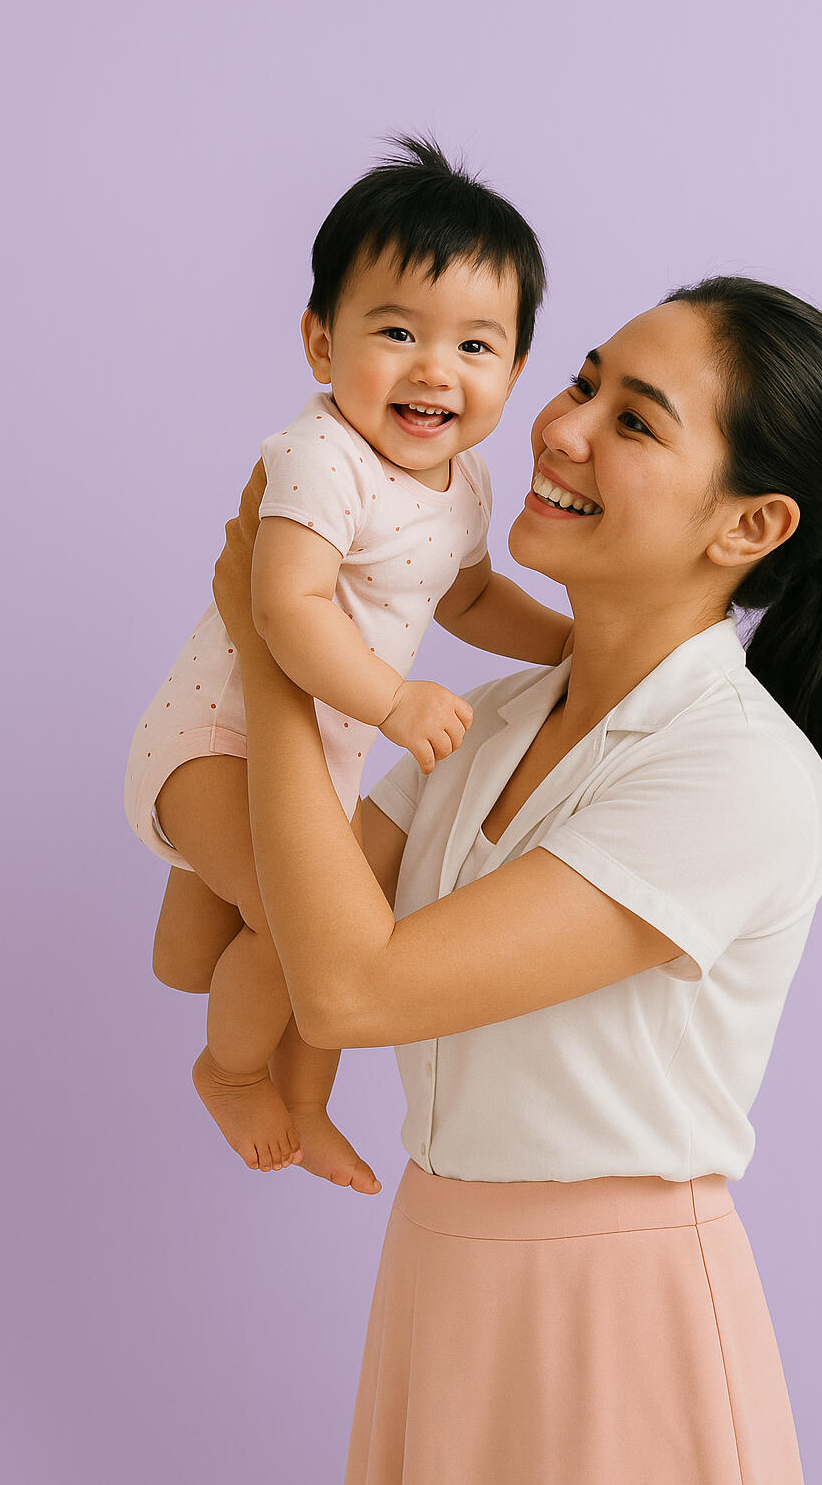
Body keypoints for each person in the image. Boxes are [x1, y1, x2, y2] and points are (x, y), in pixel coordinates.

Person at [211, 275, 822, 1482]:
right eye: (583, 381)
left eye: (633, 420)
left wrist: (279, 643)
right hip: (435, 1271)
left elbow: (351, 990)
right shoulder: (483, 719)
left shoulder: (736, 773)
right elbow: (293, 919)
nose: (562, 428)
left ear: (750, 526)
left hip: (616, 1321)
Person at [123, 138, 573, 1184]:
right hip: (222, 734)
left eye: (475, 346)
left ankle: (300, 1091)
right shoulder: (319, 457)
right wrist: (394, 700)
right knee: (301, 933)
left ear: (512, 372)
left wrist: (566, 641)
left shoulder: (464, 481)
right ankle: (233, 1072)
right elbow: (281, 608)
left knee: (238, 944)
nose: (434, 369)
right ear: (322, 344)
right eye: (398, 331)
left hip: (313, 751)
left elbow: (466, 596)